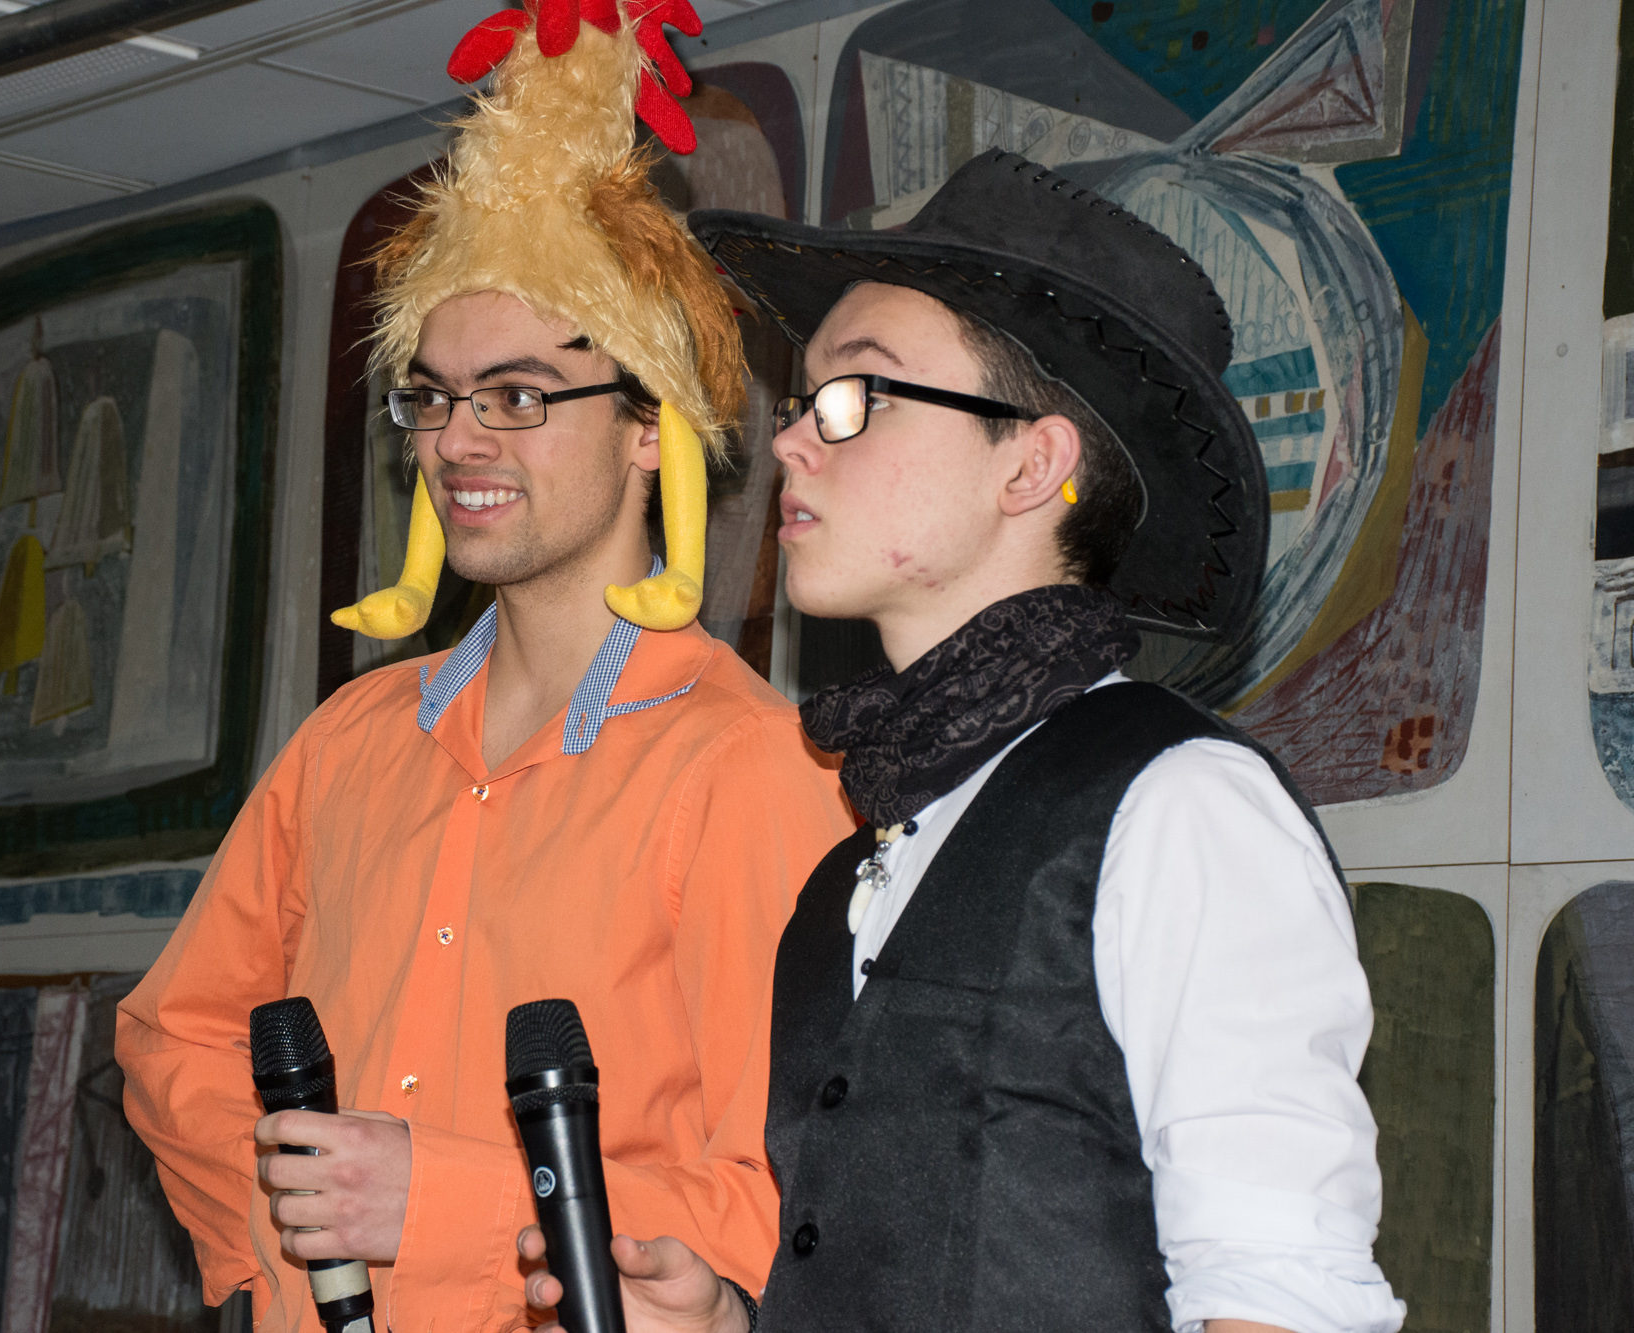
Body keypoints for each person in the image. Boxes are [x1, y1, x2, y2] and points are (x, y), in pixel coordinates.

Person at [519, 149, 1407, 1333]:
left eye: (855, 396)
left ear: (1031, 464)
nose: (790, 443)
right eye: (799, 403)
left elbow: (1280, 1297)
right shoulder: (850, 867)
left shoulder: (1176, 805)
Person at [115, 4, 853, 1330]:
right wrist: (288, 1231)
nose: (457, 439)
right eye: (433, 395)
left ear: (649, 425)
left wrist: (441, 1204)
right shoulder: (346, 742)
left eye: (517, 395)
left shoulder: (747, 766)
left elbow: (785, 1196)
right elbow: (176, 1037)